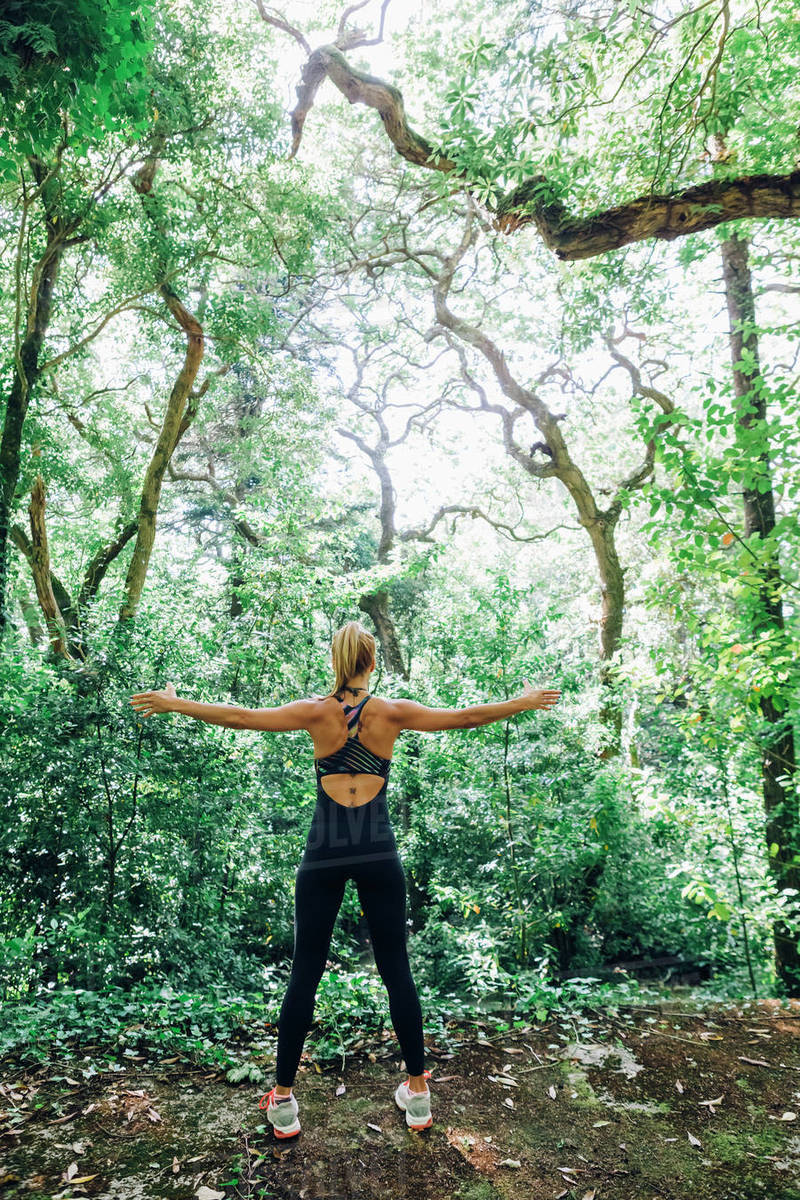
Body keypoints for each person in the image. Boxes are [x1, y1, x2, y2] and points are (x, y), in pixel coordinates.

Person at [130, 620, 561, 1138]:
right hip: (378, 850)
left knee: (305, 971)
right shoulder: (392, 712)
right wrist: (525, 700)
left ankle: (284, 1100)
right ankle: (418, 1093)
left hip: (324, 852)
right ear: (372, 662)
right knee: (396, 968)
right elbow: (467, 716)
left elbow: (240, 716)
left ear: (334, 662)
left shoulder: (315, 712)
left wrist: (178, 703)